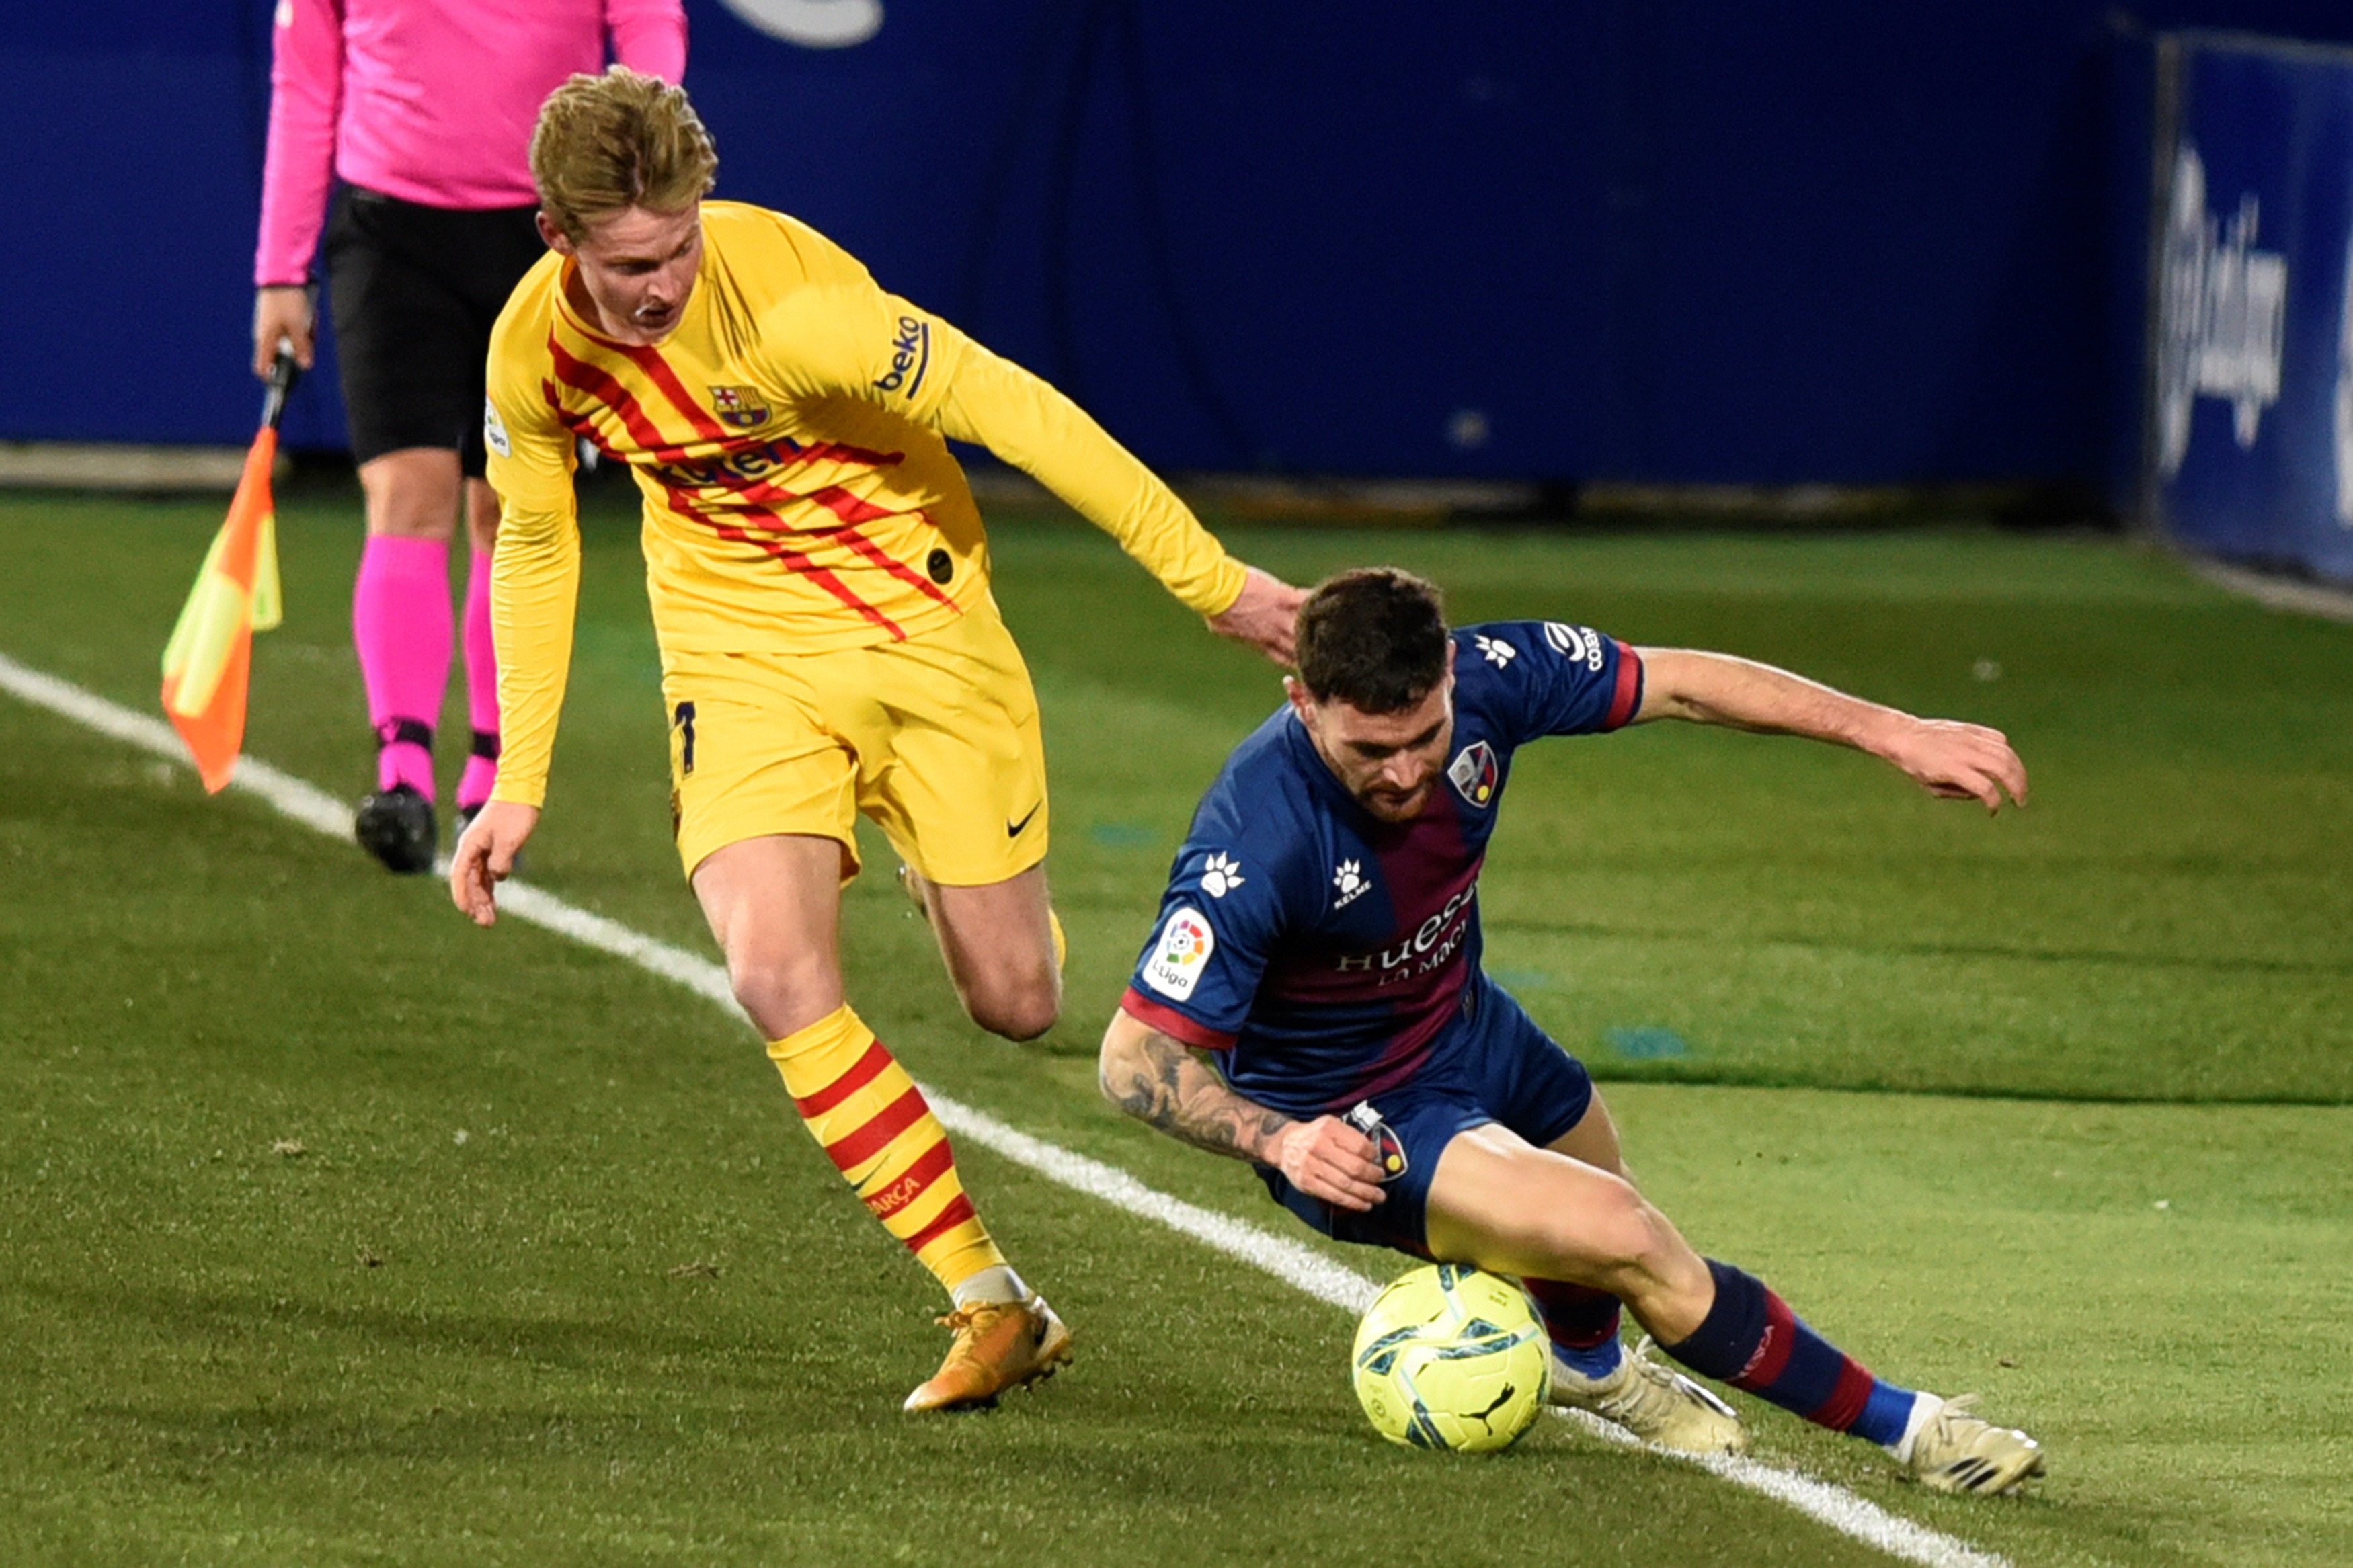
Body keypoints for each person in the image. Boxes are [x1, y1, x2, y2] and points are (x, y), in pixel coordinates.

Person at [447, 69, 1306, 1411]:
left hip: (917, 623)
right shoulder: (531, 349)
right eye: (629, 265)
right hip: (736, 657)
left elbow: (1018, 412)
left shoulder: (800, 313)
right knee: (773, 971)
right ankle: (989, 1298)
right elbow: (538, 540)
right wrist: (517, 778)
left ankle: (927, 850)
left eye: (677, 248)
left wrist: (1212, 582)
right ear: (560, 241)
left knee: (1016, 1004)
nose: (661, 286)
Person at [1099, 567, 2047, 1494]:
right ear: (1301, 701)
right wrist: (1280, 1138)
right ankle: (1917, 1429)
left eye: (1423, 737)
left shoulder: (1494, 672)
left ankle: (1588, 1368)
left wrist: (1895, 731)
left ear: (1450, 681)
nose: (1402, 773)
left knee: (1598, 1180)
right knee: (1626, 1234)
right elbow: (1131, 1057)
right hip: (1354, 1115)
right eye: (1368, 751)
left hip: (1464, 1023)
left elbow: (1680, 681)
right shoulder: (1253, 841)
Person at [254, 0, 687, 872]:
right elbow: (305, 88)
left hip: (546, 235)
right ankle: (402, 776)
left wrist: (637, 181)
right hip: (388, 233)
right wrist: (279, 270)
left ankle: (493, 780)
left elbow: (649, 26)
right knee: (406, 495)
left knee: (511, 510)